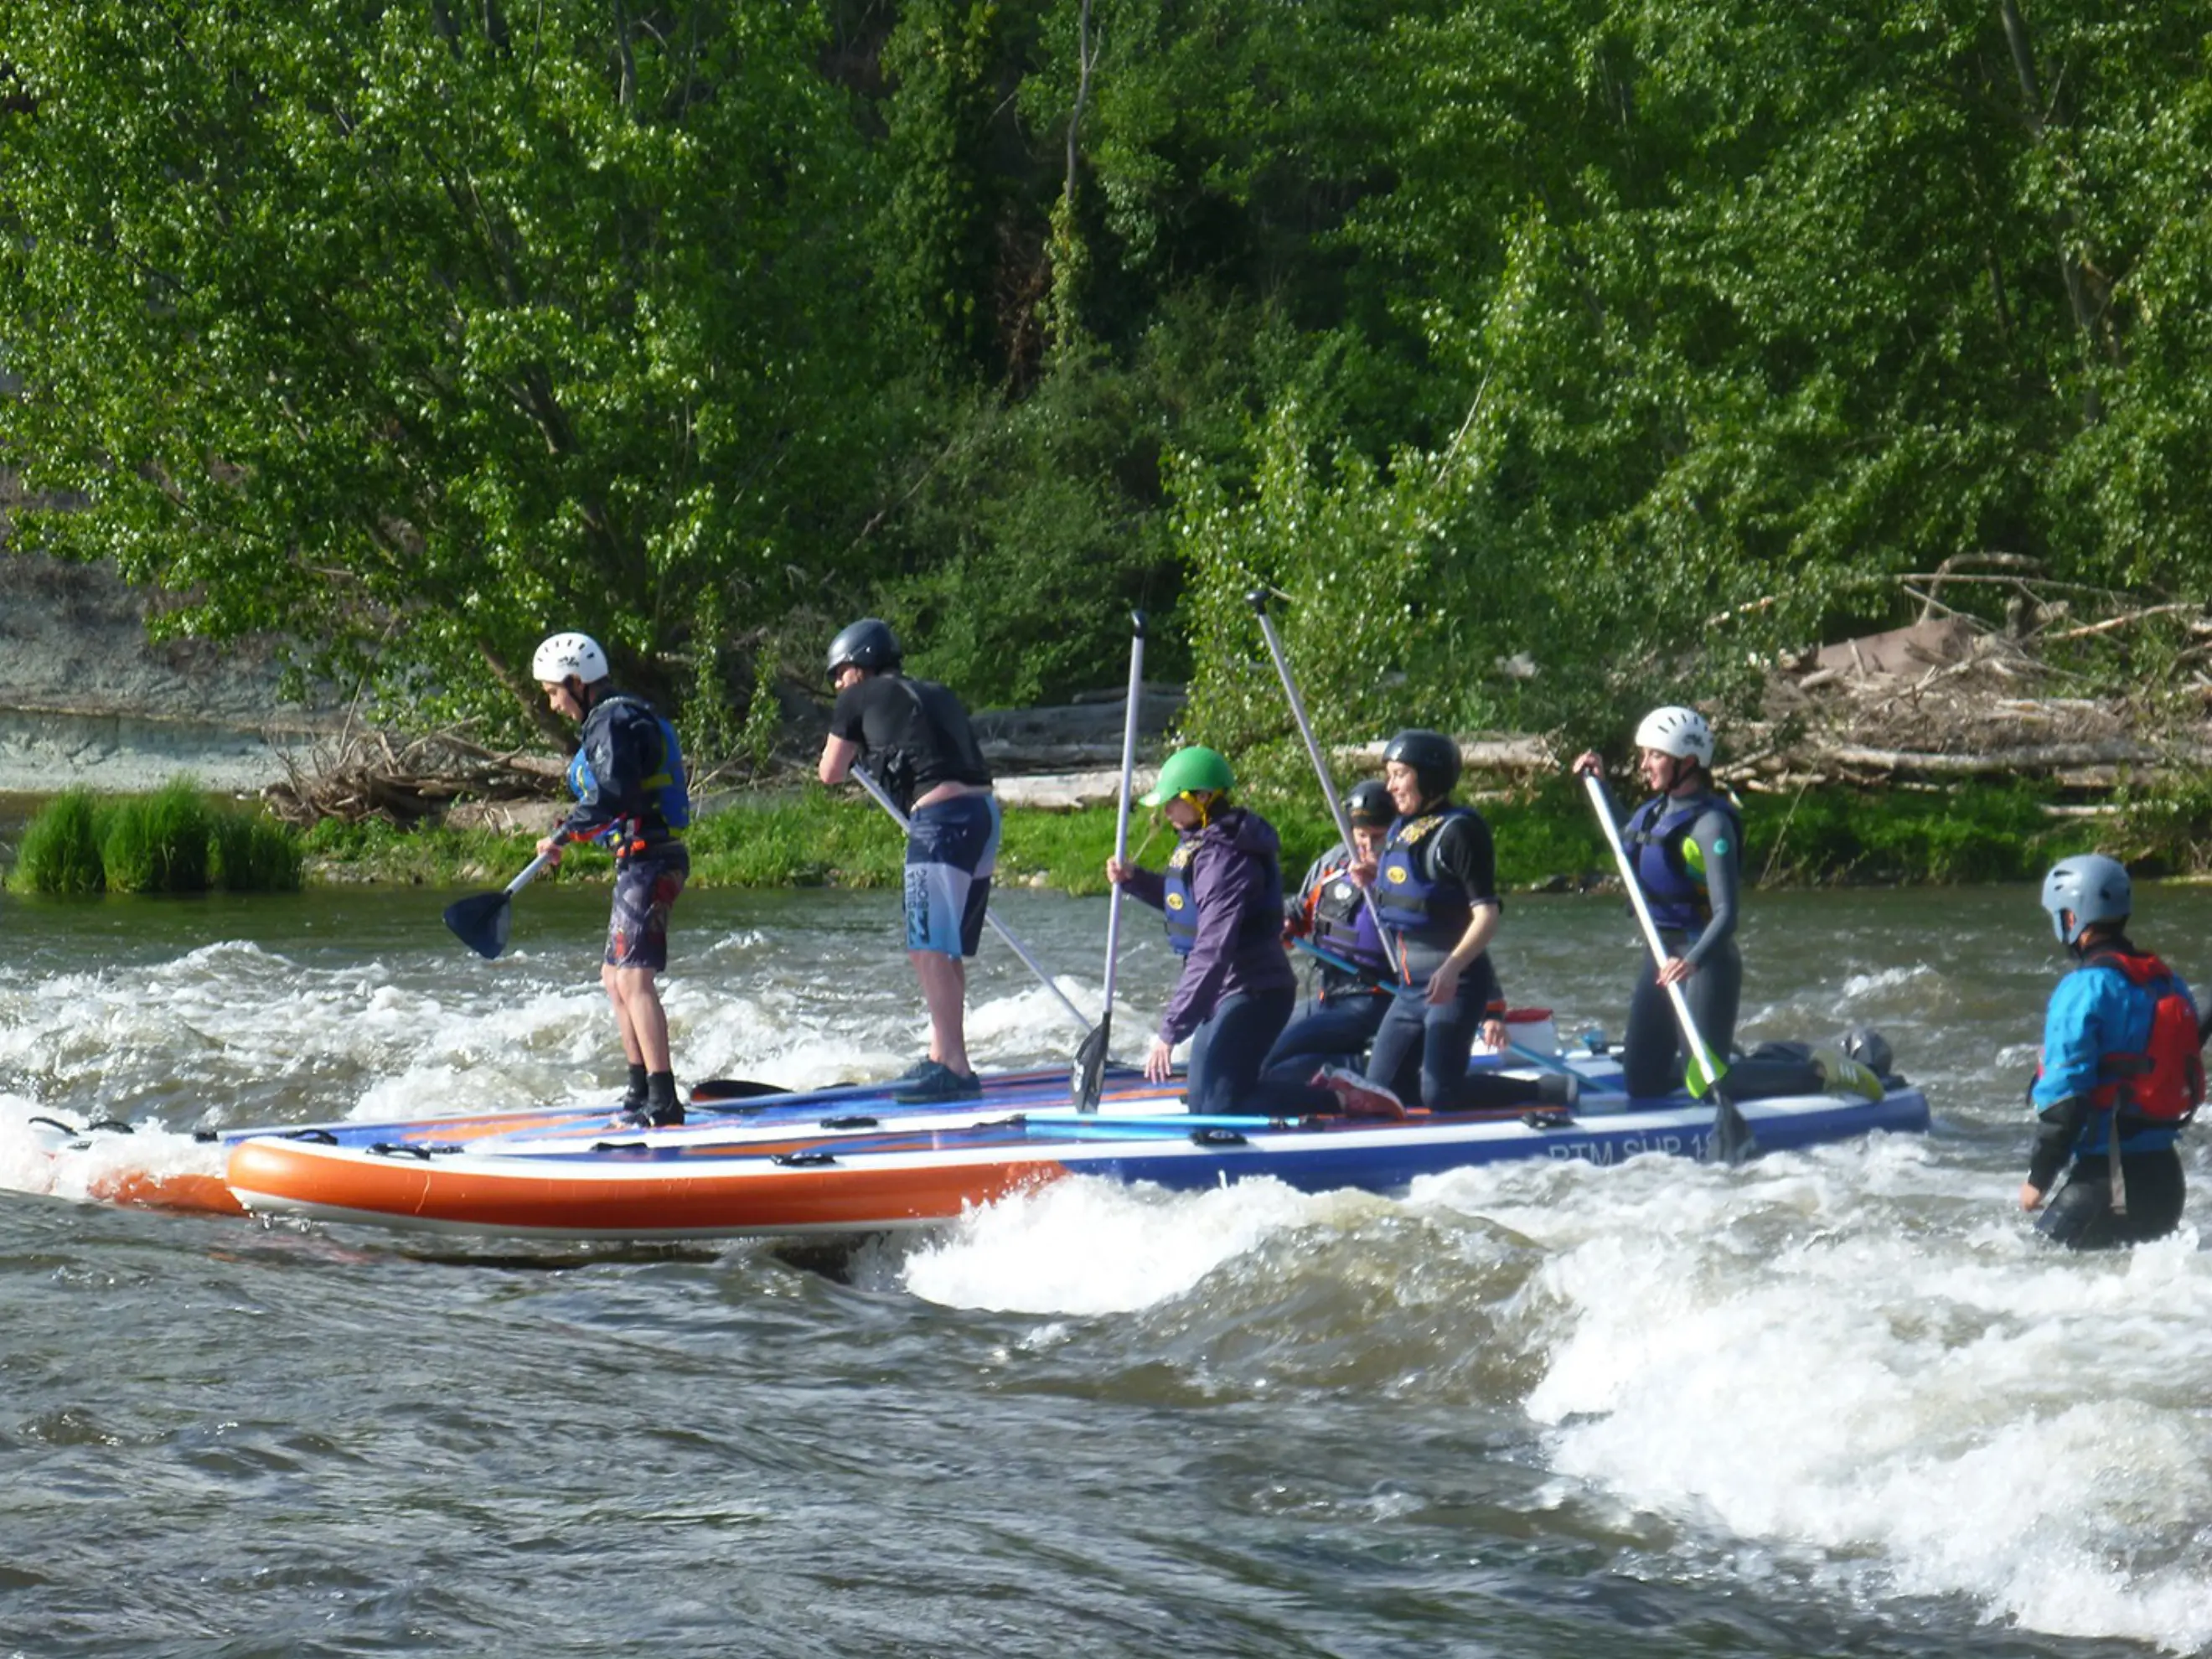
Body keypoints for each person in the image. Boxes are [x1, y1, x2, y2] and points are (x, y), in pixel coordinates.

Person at [1329, 730, 1569, 1117]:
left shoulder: (1460, 832)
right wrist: (1374, 873)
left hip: (1456, 985)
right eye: (1388, 774)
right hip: (1410, 990)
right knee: (1383, 1090)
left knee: (1442, 1092)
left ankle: (1547, 1089)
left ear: (1430, 776)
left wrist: (1454, 967)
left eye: (1400, 774)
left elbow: (1486, 915)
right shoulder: (1401, 829)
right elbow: (1418, 885)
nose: (1390, 785)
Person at [817, 618, 1000, 1103]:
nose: (838, 684)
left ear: (860, 666)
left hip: (939, 822)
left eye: (840, 673)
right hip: (984, 817)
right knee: (948, 947)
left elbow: (830, 771)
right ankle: (943, 1052)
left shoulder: (856, 698)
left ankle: (955, 1069)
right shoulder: (939, 691)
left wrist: (854, 745)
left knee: (926, 947)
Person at [530, 632, 692, 1129]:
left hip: (650, 858)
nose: (555, 704)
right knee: (613, 979)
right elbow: (614, 795)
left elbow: (615, 793)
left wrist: (561, 835)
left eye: (555, 693)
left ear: (577, 683)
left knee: (632, 978)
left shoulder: (610, 719)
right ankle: (639, 1089)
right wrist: (569, 833)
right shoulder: (615, 717)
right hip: (639, 859)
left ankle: (663, 1102)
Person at [1106, 745, 1303, 1115]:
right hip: (1222, 991)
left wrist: (1171, 1030)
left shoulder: (1226, 857)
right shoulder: (1201, 844)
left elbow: (1212, 947)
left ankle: (1340, 1099)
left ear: (1201, 798)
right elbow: (1184, 903)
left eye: (1171, 802)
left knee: (1220, 1107)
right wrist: (1134, 880)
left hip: (1255, 992)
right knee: (1201, 1104)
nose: (1165, 811)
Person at [2020, 854, 2204, 1249]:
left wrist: (2037, 1181)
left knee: (2028, 1272)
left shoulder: (2083, 990)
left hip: (2108, 1184)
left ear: (2072, 919)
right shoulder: (2169, 983)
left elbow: (2066, 1100)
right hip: (2166, 1183)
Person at [1572, 706, 1744, 1098]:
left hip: (1703, 958)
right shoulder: (1653, 812)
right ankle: (1705, 1060)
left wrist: (1692, 961)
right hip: (1661, 953)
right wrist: (1600, 785)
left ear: (1687, 762)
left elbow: (1727, 915)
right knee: (1641, 1080)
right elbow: (1625, 838)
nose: (1644, 765)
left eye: (1655, 756)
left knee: (1705, 1082)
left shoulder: (1711, 825)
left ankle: (1820, 1073)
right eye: (1644, 755)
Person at [1262, 779, 1398, 1080]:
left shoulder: (1406, 869)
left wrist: (1379, 881)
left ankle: (1364, 1073)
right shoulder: (1333, 863)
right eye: (1361, 835)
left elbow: (1441, 935)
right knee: (1262, 1041)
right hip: (1330, 994)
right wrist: (1287, 922)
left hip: (1378, 998)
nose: (1367, 846)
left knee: (1283, 1053)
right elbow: (1299, 908)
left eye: (1378, 837)